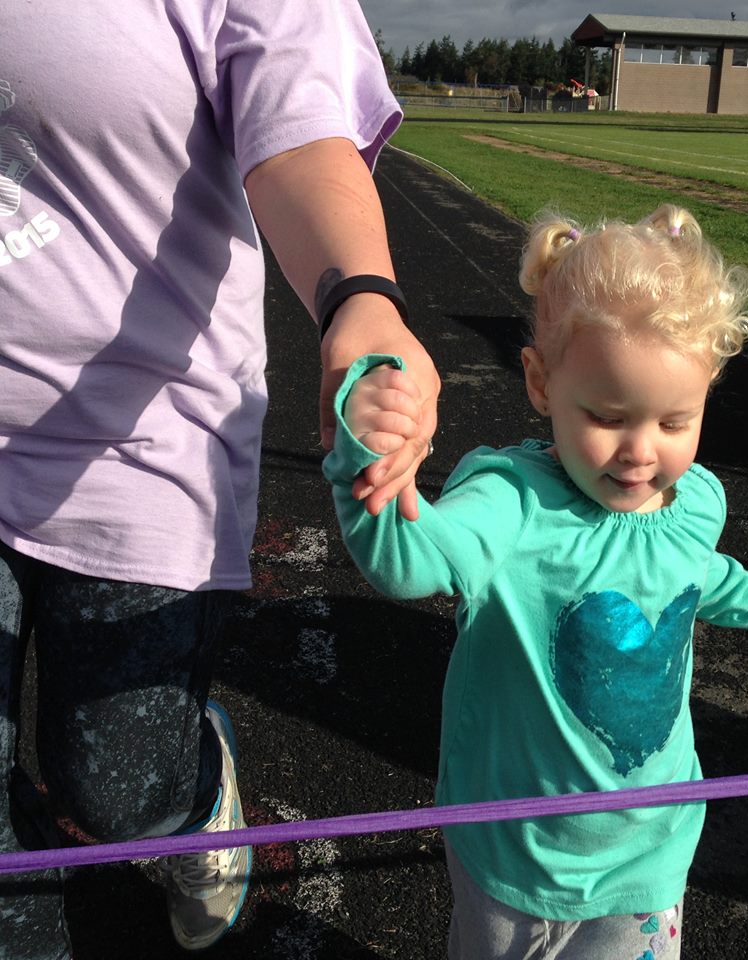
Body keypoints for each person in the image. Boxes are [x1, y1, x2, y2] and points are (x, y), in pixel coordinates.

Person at [0, 2, 438, 958]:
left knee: (119, 795)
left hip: (140, 438)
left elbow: (298, 135)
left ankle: (193, 793)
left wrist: (360, 297)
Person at [322, 205, 748, 960]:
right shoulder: (511, 504)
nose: (641, 452)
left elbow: (700, 580)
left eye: (674, 422)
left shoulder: (696, 501)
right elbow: (409, 563)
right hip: (514, 852)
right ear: (540, 383)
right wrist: (368, 466)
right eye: (607, 417)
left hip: (648, 852)